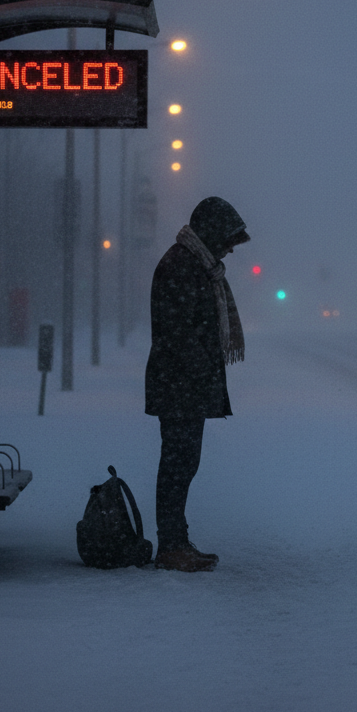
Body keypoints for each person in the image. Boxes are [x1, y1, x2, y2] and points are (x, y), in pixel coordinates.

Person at [145, 197, 249, 572]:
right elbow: (178, 333)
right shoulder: (182, 267)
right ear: (211, 232)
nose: (232, 248)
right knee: (177, 464)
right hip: (180, 385)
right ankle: (171, 546)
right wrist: (198, 372)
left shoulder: (196, 265)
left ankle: (176, 541)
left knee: (183, 463)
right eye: (228, 238)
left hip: (185, 383)